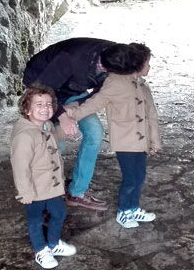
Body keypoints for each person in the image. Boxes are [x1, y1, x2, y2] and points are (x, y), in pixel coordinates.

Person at [22, 38, 135, 211]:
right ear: (103, 66)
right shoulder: (71, 59)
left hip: (71, 90)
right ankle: (47, 192)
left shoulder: (118, 56)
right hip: (40, 85)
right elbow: (40, 92)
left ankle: (77, 192)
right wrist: (62, 116)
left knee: (95, 133)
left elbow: (102, 91)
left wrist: (80, 102)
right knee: (54, 140)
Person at [64, 43, 161, 228]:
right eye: (147, 63)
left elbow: (152, 115)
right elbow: (95, 102)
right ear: (136, 65)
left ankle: (133, 208)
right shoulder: (114, 83)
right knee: (131, 178)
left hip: (141, 142)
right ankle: (124, 212)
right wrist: (72, 114)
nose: (149, 66)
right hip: (126, 142)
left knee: (139, 176)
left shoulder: (141, 84)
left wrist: (154, 140)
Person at [10, 84, 77, 269]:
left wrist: (68, 126)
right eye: (39, 104)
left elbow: (54, 137)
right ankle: (41, 250)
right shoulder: (24, 136)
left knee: (59, 213)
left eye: (48, 104)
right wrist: (25, 192)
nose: (45, 108)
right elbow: (20, 166)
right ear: (26, 109)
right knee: (35, 220)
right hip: (34, 189)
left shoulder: (46, 125)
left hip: (52, 187)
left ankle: (54, 244)